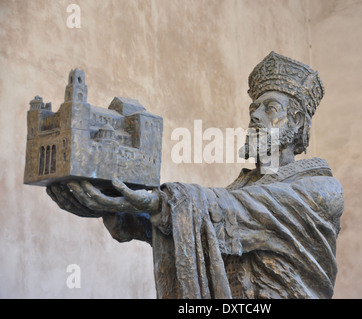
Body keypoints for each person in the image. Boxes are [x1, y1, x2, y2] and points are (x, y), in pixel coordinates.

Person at [46, 51, 344, 299]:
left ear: (296, 120)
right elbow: (195, 228)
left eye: (270, 108)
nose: (255, 115)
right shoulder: (242, 188)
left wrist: (158, 203)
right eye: (254, 107)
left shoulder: (321, 190)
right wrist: (114, 205)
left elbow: (235, 209)